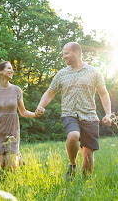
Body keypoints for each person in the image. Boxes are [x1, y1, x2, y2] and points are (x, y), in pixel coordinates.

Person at [35, 42, 112, 181]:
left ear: (76, 52)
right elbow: (50, 92)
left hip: (89, 115)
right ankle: (72, 164)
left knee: (88, 155)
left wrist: (108, 114)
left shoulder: (94, 72)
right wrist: (41, 106)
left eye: (66, 53)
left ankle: (84, 184)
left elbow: (104, 94)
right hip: (69, 114)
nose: (64, 57)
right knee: (73, 135)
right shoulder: (62, 74)